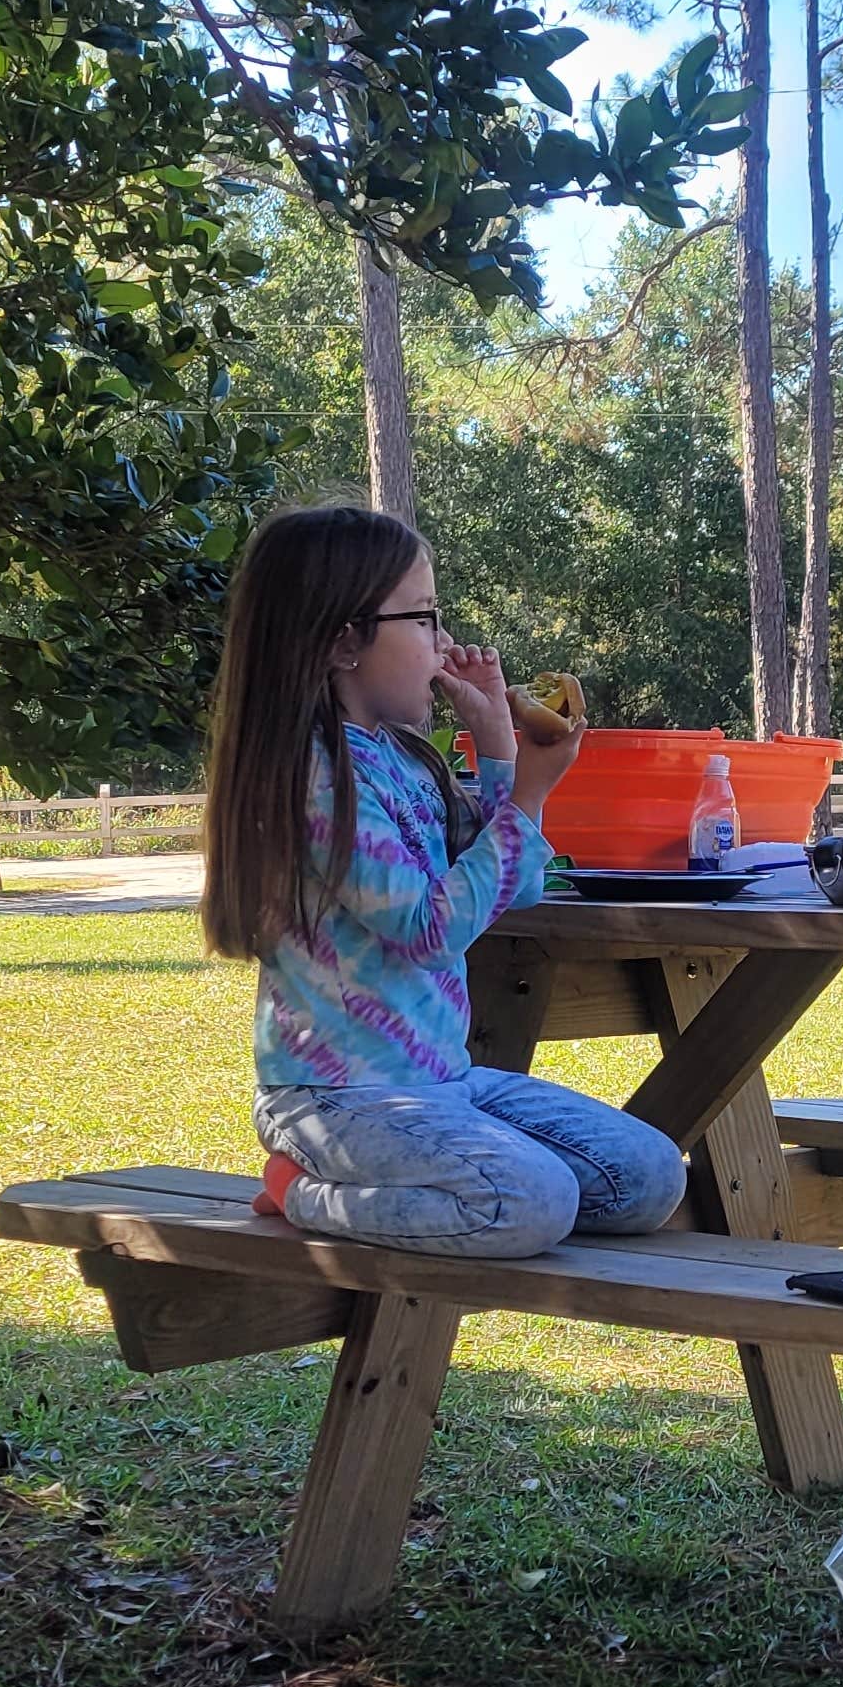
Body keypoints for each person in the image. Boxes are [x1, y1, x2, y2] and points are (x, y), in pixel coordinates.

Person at [200, 503, 689, 1257]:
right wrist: (527, 793)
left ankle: (428, 1178)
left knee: (649, 1175)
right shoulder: (315, 778)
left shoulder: (401, 758)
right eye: (424, 618)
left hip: (439, 1084)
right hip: (336, 1100)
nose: (445, 641)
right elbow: (430, 931)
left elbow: (512, 888)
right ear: (342, 641)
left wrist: (499, 747)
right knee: (531, 1203)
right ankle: (297, 1189)